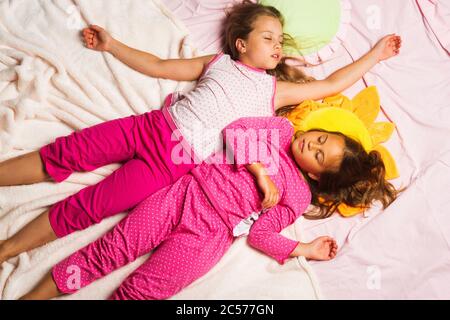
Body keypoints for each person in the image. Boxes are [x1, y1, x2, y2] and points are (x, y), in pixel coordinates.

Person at [0, 1, 402, 263]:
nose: (278, 46)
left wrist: (376, 54)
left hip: (171, 166)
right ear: (241, 44)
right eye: (269, 38)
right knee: (65, 154)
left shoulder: (274, 92)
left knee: (90, 207)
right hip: (149, 128)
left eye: (281, 41)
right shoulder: (219, 63)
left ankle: (8, 249)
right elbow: (157, 65)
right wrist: (112, 45)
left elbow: (330, 85)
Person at [18, 115, 399, 300]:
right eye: (319, 138)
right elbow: (236, 131)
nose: (311, 145)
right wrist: (260, 173)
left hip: (209, 237)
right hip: (185, 195)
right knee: (108, 251)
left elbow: (261, 233)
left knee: (144, 293)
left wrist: (304, 249)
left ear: (318, 178)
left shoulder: (298, 197)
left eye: (319, 154)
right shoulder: (281, 131)